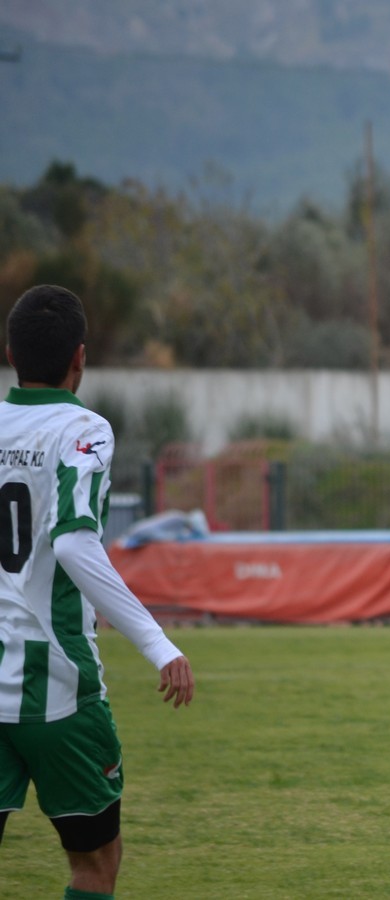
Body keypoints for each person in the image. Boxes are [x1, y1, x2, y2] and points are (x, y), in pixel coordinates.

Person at [0, 285, 195, 900]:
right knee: (95, 864)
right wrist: (159, 644)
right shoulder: (82, 429)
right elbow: (75, 544)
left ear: (11, 353)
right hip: (57, 686)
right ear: (80, 357)